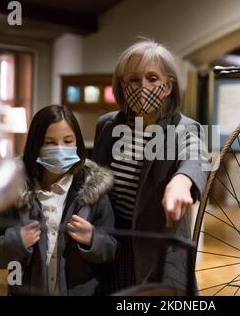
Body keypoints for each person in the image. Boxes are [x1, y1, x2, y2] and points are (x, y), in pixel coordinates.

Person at [92, 39, 209, 294]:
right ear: (123, 86)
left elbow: (197, 157)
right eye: (134, 80)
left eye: (152, 78)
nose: (143, 87)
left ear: (167, 87)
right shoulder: (107, 126)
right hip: (110, 244)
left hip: (157, 250)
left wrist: (182, 181)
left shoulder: (183, 127)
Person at [0, 105, 117, 296]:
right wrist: (17, 240)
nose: (60, 149)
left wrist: (93, 239)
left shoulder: (94, 191)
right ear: (36, 145)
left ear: (77, 143)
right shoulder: (14, 190)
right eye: (50, 142)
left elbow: (112, 248)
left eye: (68, 141)